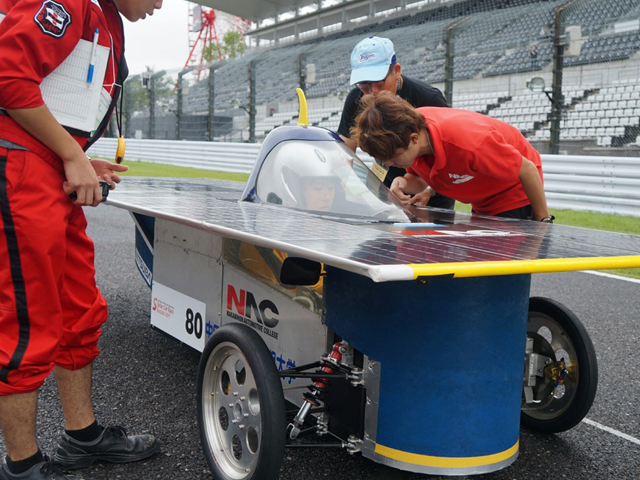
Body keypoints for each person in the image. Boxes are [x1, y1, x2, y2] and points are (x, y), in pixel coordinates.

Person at [0, 0, 164, 479]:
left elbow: (58, 95)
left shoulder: (105, 15)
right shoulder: (70, 1)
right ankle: (22, 465)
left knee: (79, 307)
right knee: (27, 319)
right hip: (22, 171)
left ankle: (82, 435)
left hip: (51, 170)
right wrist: (73, 155)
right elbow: (8, 77)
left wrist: (77, 158)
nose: (159, 5)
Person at [351, 92, 553, 222]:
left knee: (501, 265)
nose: (389, 164)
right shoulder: (407, 132)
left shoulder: (470, 142)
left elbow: (527, 169)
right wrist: (402, 182)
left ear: (413, 139)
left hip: (512, 192)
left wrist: (543, 222)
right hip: (483, 199)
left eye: (394, 159)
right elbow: (420, 179)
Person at [337, 36, 455, 210]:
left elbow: (450, 155)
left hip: (429, 195)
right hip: (387, 190)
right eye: (364, 85)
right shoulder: (355, 99)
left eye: (379, 82)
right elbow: (346, 152)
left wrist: (430, 191)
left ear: (396, 70)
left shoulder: (428, 98)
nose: (372, 91)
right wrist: (345, 185)